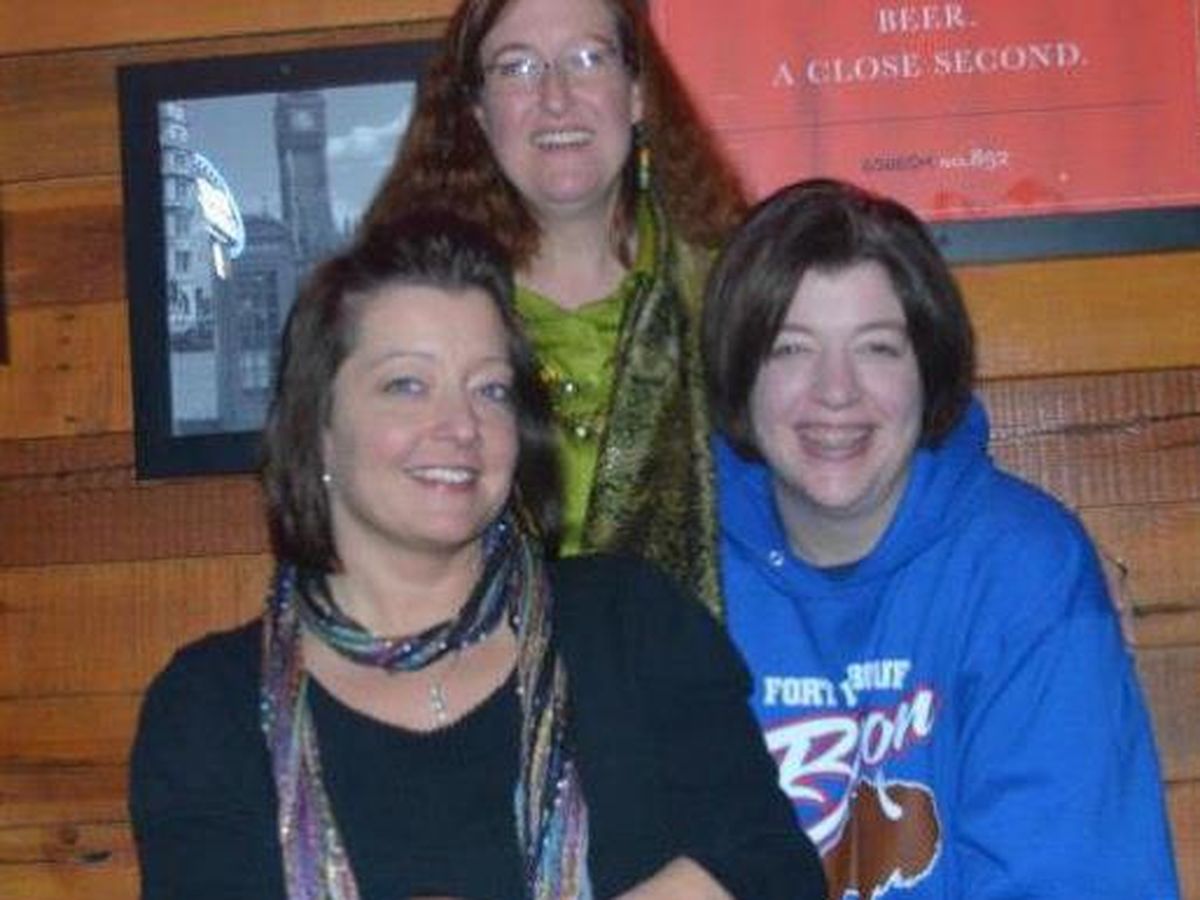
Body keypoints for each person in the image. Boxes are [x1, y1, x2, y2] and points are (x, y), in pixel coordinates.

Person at [129, 212, 825, 900]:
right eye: (407, 384)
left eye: (490, 389)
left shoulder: (629, 622)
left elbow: (769, 869)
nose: (461, 425)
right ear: (318, 427)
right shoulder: (211, 706)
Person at [701, 179, 1181, 898]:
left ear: (930, 371)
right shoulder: (681, 575)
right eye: (791, 349)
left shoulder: (1024, 570)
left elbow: (1074, 877)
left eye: (878, 348)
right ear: (740, 374)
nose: (836, 391)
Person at [364, 0, 747, 613]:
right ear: (478, 111)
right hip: (469, 660)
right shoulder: (400, 311)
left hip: (707, 661)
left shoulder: (735, 292)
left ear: (638, 92)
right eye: (517, 68)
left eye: (588, 59)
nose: (556, 97)